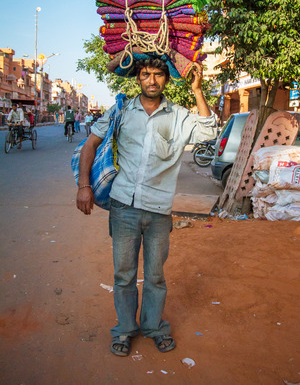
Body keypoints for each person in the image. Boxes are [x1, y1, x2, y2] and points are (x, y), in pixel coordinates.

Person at [76, 58, 217, 357]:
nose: (151, 80)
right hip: (124, 206)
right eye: (145, 74)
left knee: (155, 276)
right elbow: (90, 144)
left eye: (158, 75)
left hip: (158, 210)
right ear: (137, 78)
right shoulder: (121, 111)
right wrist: (83, 186)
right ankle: (125, 329)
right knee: (124, 275)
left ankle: (153, 327)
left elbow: (208, 131)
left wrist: (197, 90)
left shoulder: (178, 116)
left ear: (166, 79)